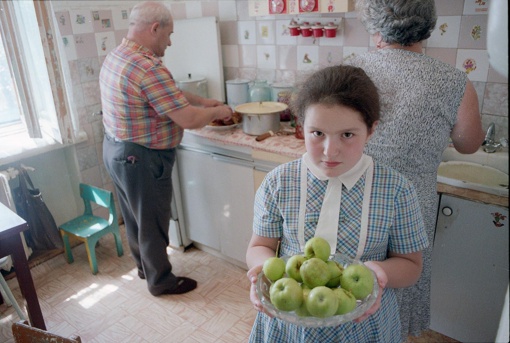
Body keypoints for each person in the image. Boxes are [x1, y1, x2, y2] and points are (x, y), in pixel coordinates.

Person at [245, 65, 429, 342]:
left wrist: (379, 272)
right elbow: (261, 246)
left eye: (347, 134)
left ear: (371, 130)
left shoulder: (397, 190)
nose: (330, 151)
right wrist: (263, 274)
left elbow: (411, 265)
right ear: (301, 127)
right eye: (317, 133)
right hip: (292, 324)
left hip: (365, 326)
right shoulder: (278, 183)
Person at [346, 0, 485, 339]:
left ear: (377, 28)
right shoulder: (455, 81)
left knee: (349, 282)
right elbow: (469, 144)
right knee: (400, 283)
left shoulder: (351, 69)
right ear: (427, 26)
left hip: (353, 195)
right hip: (411, 205)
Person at [100, 1, 232, 296]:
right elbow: (186, 119)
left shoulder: (119, 54)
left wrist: (202, 101)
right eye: (169, 34)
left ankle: (144, 268)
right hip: (143, 158)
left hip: (116, 150)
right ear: (154, 28)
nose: (170, 42)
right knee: (153, 221)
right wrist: (217, 111)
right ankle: (161, 281)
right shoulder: (148, 67)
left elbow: (167, 90)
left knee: (134, 217)